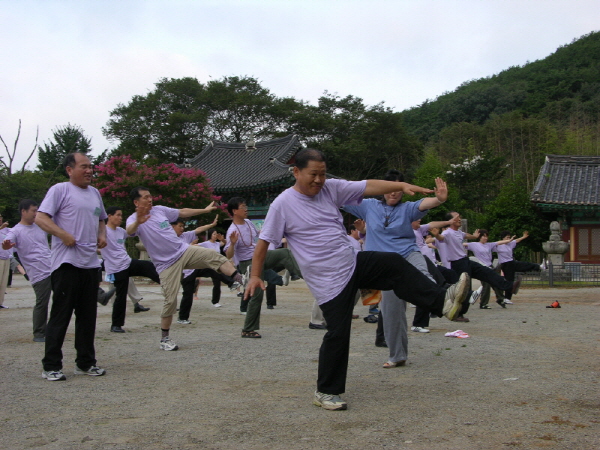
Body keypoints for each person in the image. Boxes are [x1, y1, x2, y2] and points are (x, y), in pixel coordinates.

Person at [245, 149, 470, 410]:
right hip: (328, 281)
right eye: (313, 175)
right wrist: (255, 275)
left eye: (323, 174)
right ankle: (326, 392)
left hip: (352, 262)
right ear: (296, 172)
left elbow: (369, 186)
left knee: (394, 263)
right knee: (338, 334)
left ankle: (442, 301)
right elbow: (263, 243)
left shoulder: (331, 188)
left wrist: (402, 185)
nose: (319, 180)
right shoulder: (283, 204)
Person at [344, 171, 452, 368]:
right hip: (384, 266)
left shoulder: (408, 208)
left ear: (404, 191)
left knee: (424, 277)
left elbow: (424, 203)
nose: (393, 193)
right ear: (383, 190)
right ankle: (397, 356)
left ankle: (446, 303)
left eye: (398, 189)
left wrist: (439, 199)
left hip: (408, 255)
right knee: (392, 313)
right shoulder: (368, 206)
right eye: (390, 189)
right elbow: (340, 197)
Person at [125, 187, 242, 351]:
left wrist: (205, 210)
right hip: (166, 265)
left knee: (214, 256)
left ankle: (239, 279)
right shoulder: (132, 219)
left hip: (183, 251)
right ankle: (164, 339)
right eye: (146, 197)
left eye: (151, 196)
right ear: (136, 202)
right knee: (170, 301)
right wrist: (138, 220)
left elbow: (183, 212)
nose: (150, 199)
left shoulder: (159, 210)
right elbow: (129, 231)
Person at [35, 152, 108, 381]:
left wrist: (102, 235)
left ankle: (86, 363)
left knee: (88, 317)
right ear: (69, 170)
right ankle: (51, 365)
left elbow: (101, 219)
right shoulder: (60, 190)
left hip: (90, 264)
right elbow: (40, 218)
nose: (89, 171)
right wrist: (62, 234)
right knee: (61, 315)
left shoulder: (95, 193)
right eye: (84, 166)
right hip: (66, 263)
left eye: (91, 167)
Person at [224, 197, 301, 338]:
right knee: (257, 294)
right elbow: (228, 254)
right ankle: (248, 329)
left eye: (246, 205)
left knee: (284, 253)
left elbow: (258, 239)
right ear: (235, 211)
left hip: (259, 257)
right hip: (247, 263)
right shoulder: (232, 231)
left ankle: (302, 274)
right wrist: (233, 244)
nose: (246, 209)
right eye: (243, 206)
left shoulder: (248, 223)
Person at [438, 211, 516, 316]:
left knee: (487, 272)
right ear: (451, 220)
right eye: (457, 217)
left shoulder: (458, 232)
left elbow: (466, 235)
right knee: (464, 288)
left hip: (465, 261)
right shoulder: (447, 233)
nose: (460, 219)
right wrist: (436, 235)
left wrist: (474, 236)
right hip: (457, 263)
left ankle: (509, 286)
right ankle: (459, 313)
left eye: (460, 217)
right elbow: (441, 238)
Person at [100, 206, 159, 333]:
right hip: (116, 269)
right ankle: (116, 325)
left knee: (148, 266)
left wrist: (138, 221)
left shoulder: (121, 231)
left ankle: (169, 282)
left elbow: (131, 231)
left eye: (122, 215)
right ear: (109, 216)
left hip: (127, 263)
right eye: (118, 215)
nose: (120, 218)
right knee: (120, 297)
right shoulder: (102, 231)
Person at [2, 199, 51, 340]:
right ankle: (39, 332)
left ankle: (52, 329)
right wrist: (6, 245)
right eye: (33, 210)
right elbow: (8, 242)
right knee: (42, 302)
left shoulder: (39, 226)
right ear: (23, 212)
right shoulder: (16, 230)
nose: (36, 213)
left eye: (37, 210)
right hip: (38, 272)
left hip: (52, 267)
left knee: (65, 296)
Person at [464, 229, 512, 309]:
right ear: (479, 237)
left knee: (497, 281)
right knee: (486, 286)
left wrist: (509, 240)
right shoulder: (474, 244)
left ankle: (500, 299)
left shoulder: (489, 245)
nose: (486, 238)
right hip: (482, 267)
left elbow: (499, 242)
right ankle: (483, 303)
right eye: (484, 236)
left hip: (490, 266)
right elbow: (463, 244)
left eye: (486, 236)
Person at [496, 230, 541, 303]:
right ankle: (507, 298)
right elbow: (490, 247)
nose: (509, 239)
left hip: (511, 262)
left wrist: (523, 237)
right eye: (507, 237)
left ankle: (538, 267)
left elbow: (516, 240)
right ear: (503, 238)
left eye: (509, 237)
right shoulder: (498, 245)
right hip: (505, 264)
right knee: (509, 280)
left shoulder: (510, 244)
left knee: (524, 265)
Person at [0, 215, 12, 309]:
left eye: (0, 217)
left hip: (6, 257)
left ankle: (0, 302)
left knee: (3, 282)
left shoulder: (7, 230)